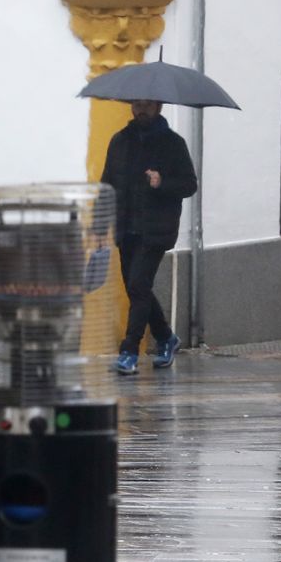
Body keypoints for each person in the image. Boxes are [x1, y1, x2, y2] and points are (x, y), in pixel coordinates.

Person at [100, 99, 197, 374]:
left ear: (159, 107)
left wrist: (161, 183)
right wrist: (99, 225)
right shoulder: (119, 142)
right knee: (137, 287)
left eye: (147, 105)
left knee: (139, 285)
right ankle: (166, 337)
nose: (141, 110)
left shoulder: (173, 144)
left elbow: (189, 184)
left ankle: (129, 351)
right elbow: (106, 184)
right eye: (137, 105)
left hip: (155, 230)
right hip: (125, 229)